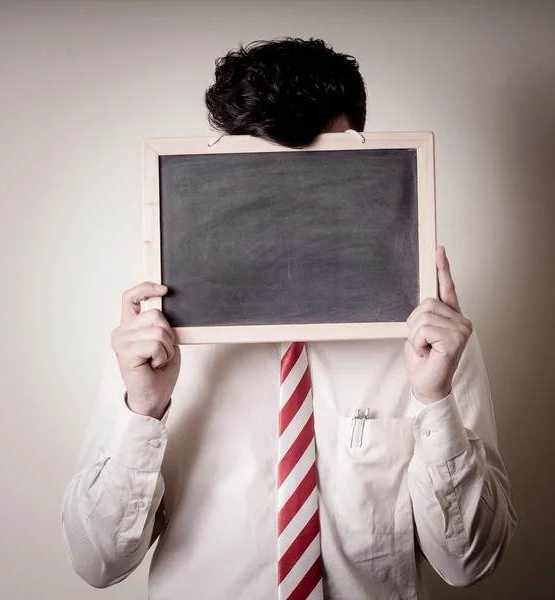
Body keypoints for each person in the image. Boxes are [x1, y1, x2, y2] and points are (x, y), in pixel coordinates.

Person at [61, 38, 517, 599]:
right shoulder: (156, 344)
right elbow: (96, 562)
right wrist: (145, 410)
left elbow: (470, 563)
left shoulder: (429, 339)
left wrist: (434, 401)